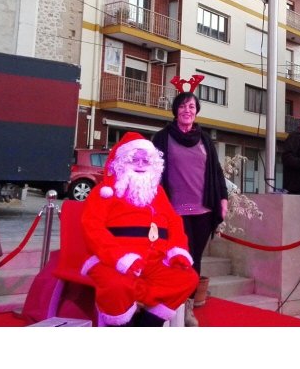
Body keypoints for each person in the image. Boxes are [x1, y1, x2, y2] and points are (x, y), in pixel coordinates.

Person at [81, 132, 199, 326]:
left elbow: (174, 222)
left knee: (187, 278)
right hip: (111, 261)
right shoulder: (105, 191)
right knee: (116, 286)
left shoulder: (157, 192)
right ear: (122, 162)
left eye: (146, 160)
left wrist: (177, 250)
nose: (141, 164)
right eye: (135, 159)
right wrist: (121, 258)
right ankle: (120, 325)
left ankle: (149, 322)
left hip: (154, 261)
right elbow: (92, 227)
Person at [152, 82, 228, 327]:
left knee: (195, 258)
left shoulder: (205, 139)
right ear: (176, 110)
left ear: (197, 111)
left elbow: (216, 172)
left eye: (192, 106)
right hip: (173, 210)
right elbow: (154, 171)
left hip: (203, 209)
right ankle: (172, 302)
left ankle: (187, 306)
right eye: (183, 106)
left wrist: (223, 199)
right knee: (178, 257)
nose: (188, 110)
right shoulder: (162, 138)